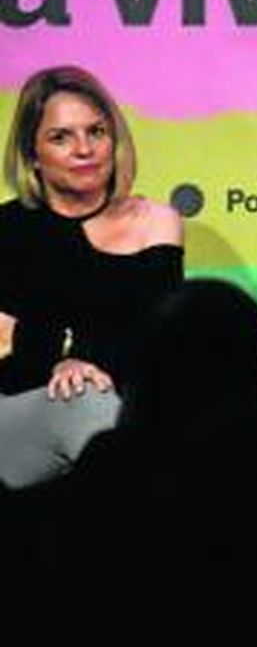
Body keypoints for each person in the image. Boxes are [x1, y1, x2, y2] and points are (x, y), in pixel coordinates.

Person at [0, 65, 183, 486]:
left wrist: (80, 356)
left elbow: (156, 338)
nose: (84, 149)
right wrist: (63, 362)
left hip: (121, 409)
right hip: (18, 412)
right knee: (83, 399)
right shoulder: (9, 229)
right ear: (32, 154)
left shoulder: (155, 222)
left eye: (96, 132)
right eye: (61, 137)